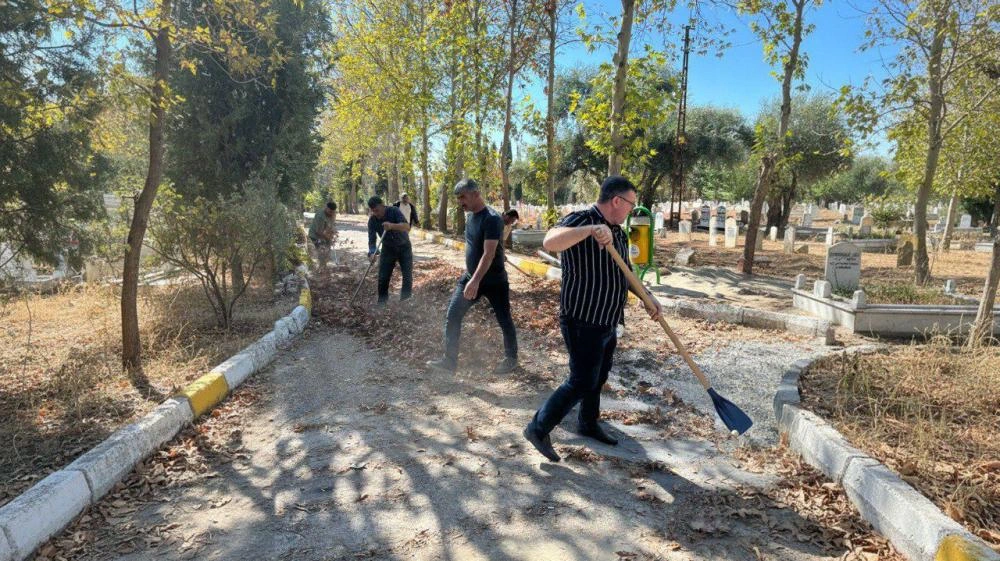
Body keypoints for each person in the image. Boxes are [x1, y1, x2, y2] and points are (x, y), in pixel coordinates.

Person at [523, 176, 662, 462]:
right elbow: (550, 241)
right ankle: (538, 428)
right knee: (582, 380)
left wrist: (648, 296)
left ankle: (588, 422)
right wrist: (590, 230)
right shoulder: (581, 219)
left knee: (598, 376)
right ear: (616, 201)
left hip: (608, 319)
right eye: (631, 204)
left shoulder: (619, 233)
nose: (631, 210)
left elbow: (626, 273)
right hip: (582, 317)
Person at [426, 179, 519, 375]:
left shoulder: (492, 219)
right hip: (471, 277)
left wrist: (475, 281)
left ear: (476, 194)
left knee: (504, 319)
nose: (460, 202)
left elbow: (489, 253)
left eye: (463, 197)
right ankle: (449, 361)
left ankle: (511, 358)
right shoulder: (470, 217)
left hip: (494, 282)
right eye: (458, 198)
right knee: (453, 315)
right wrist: (471, 277)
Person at [367, 196, 413, 304]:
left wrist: (392, 226)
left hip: (404, 246)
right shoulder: (372, 220)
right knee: (383, 276)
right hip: (388, 249)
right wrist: (372, 253)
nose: (376, 213)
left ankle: (405, 301)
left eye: (377, 210)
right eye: (373, 211)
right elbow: (372, 240)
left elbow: (407, 227)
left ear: (382, 205)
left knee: (407, 275)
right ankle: (382, 303)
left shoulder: (394, 211)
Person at [308, 202, 338, 271]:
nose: (331, 213)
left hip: (324, 234)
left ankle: (324, 266)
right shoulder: (320, 216)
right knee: (322, 250)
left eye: (332, 212)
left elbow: (331, 225)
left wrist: (332, 233)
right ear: (326, 208)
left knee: (328, 249)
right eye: (330, 211)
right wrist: (328, 237)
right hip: (315, 235)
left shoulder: (332, 214)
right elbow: (318, 232)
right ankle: (320, 268)